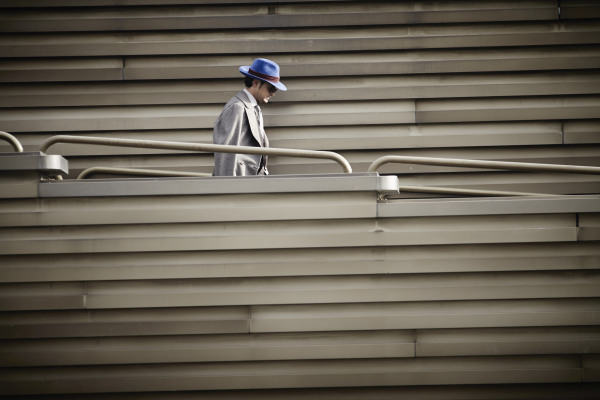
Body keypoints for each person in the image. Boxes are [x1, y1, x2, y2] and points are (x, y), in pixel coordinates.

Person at [212, 58, 287, 176]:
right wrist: (225, 188)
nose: (273, 93)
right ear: (256, 83)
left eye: (275, 89)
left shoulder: (253, 108)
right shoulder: (237, 108)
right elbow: (226, 155)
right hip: (240, 186)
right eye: (271, 88)